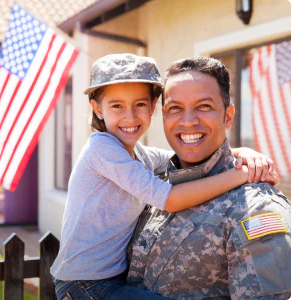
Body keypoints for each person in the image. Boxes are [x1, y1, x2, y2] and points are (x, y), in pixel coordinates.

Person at [50, 54, 276, 300]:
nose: (130, 116)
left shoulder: (139, 155)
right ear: (97, 109)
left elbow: (188, 150)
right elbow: (168, 199)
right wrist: (240, 175)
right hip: (86, 284)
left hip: (109, 278)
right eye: (117, 106)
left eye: (139, 104)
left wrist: (244, 152)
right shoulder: (101, 149)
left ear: (153, 106)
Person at [127, 56, 291, 299]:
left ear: (227, 116)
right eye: (175, 108)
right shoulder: (151, 184)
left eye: (203, 106)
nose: (188, 121)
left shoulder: (255, 209)